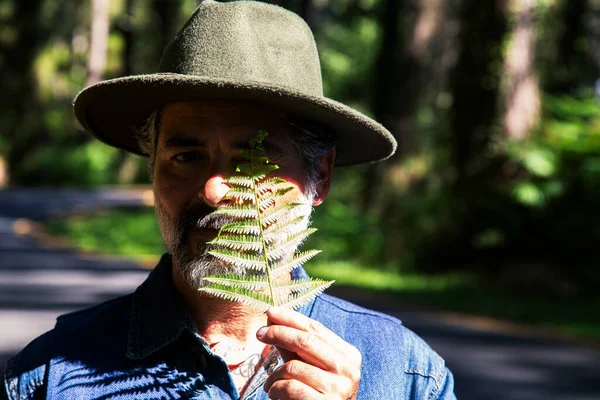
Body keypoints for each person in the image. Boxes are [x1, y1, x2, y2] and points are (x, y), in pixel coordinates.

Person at [2, 1, 456, 399]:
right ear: (152, 169)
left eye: (252, 158)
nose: (215, 190)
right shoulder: (49, 376)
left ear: (321, 173)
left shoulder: (407, 374)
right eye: (185, 156)